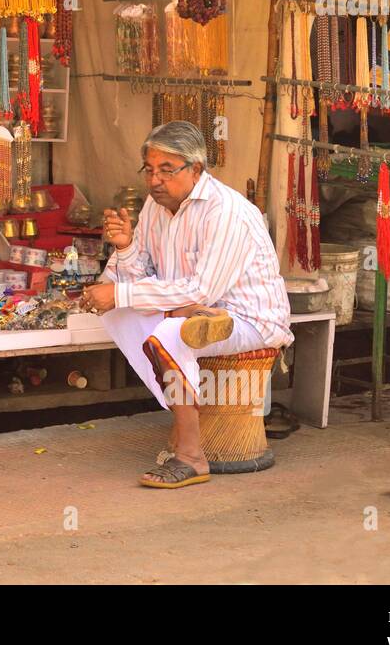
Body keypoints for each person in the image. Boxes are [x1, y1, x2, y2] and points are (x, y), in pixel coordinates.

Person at [81, 121, 292, 490]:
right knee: (118, 312)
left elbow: (202, 291)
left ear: (196, 170)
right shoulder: (155, 205)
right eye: (149, 170)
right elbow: (142, 274)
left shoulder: (225, 211)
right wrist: (126, 248)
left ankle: (191, 454)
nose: (155, 180)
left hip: (248, 317)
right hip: (191, 309)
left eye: (167, 170)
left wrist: (123, 293)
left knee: (169, 333)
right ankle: (181, 419)